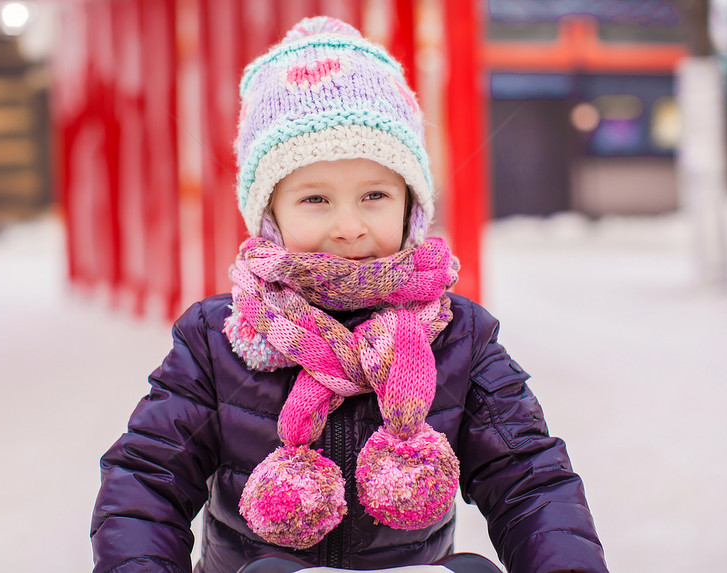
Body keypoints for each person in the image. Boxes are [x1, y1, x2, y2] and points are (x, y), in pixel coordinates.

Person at [91, 16, 608, 573]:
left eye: (374, 195)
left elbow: (529, 477)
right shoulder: (218, 338)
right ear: (271, 215)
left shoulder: (459, 336)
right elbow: (147, 480)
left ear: (409, 206)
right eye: (316, 199)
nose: (349, 226)